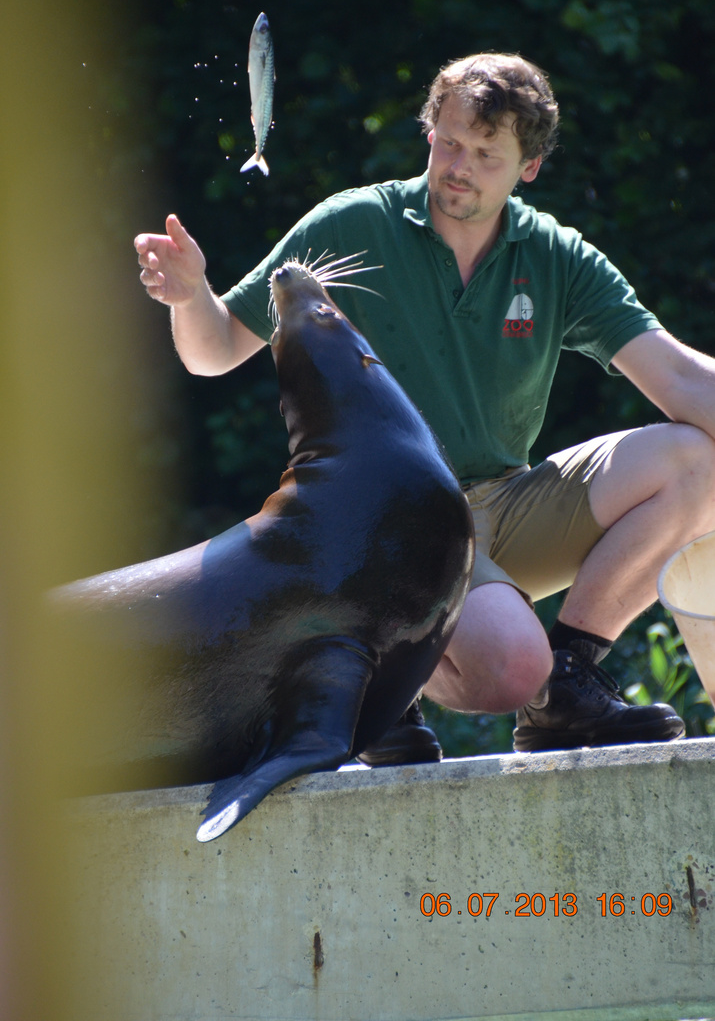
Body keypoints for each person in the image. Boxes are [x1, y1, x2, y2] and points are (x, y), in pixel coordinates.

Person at [135, 53, 715, 764]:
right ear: (428, 132)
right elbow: (216, 349)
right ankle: (383, 677)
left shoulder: (558, 256)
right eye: (447, 142)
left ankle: (566, 685)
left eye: (485, 153)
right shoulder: (352, 225)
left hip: (502, 506)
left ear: (528, 167)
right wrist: (190, 295)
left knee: (695, 461)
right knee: (506, 667)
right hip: (389, 524)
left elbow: (685, 384)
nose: (458, 167)